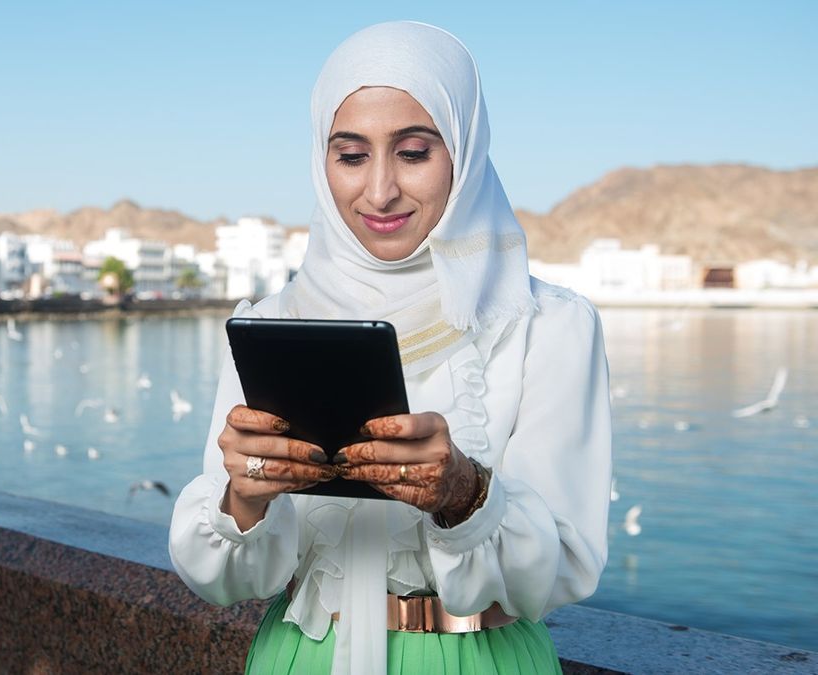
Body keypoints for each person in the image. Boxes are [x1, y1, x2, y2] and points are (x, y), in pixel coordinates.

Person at [168, 21, 612, 675]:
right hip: (301, 656)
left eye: (412, 152)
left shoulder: (543, 324)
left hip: (476, 660)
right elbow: (224, 579)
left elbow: (567, 569)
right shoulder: (274, 321)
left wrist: (464, 494)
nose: (378, 191)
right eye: (351, 156)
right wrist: (245, 497)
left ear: (463, 151)